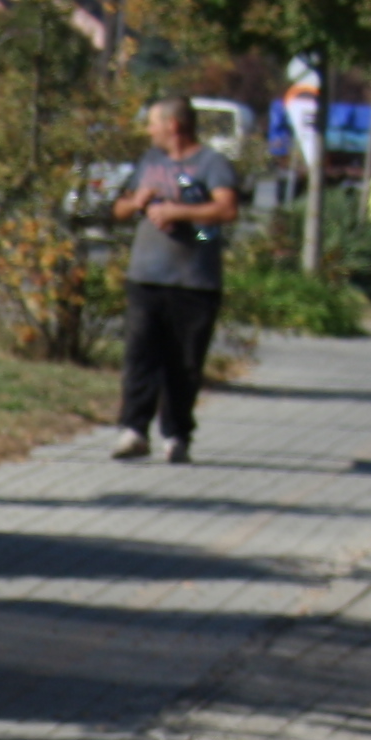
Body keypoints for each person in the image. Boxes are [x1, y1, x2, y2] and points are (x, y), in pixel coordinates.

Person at [110, 96, 242, 464]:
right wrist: (137, 202)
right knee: (139, 355)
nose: (148, 130)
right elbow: (119, 208)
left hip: (195, 277)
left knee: (183, 363)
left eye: (153, 122)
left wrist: (177, 212)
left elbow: (227, 208)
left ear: (173, 125)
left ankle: (176, 434)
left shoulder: (211, 163)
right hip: (146, 275)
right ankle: (133, 430)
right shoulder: (150, 162)